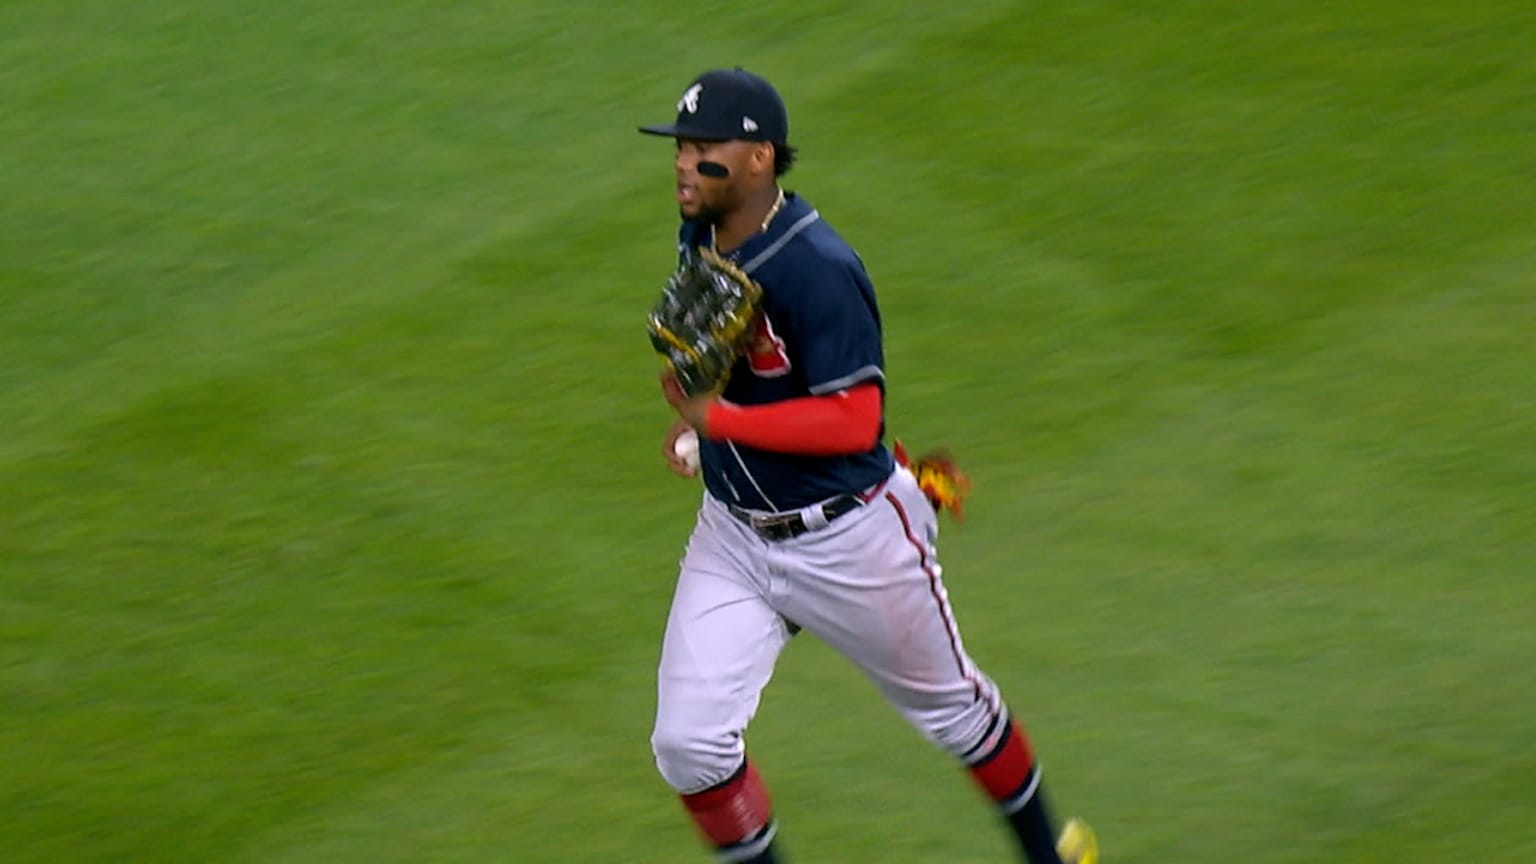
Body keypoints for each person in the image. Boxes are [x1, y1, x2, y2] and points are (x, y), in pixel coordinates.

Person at [638, 68, 1098, 864]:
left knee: (959, 714)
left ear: (758, 158)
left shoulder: (820, 267)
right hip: (735, 538)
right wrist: (703, 439)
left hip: (852, 539)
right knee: (688, 745)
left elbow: (856, 420)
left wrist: (722, 421)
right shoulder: (701, 231)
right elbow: (732, 367)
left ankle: (1054, 855)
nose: (683, 162)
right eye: (680, 146)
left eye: (703, 148)